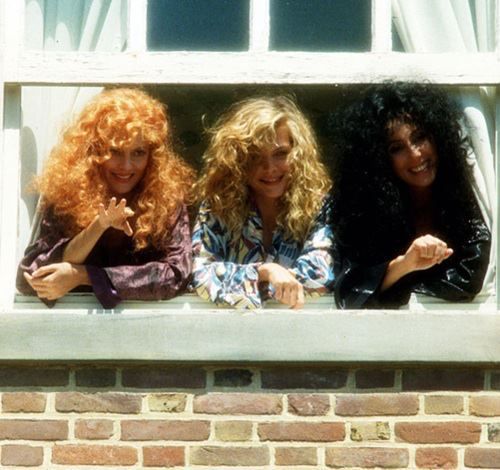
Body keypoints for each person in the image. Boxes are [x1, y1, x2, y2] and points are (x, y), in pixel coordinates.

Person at [17, 88, 194, 308]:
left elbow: (177, 275)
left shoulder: (167, 199)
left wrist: (85, 275)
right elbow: (31, 277)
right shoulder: (67, 193)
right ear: (94, 151)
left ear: (152, 156)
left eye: (138, 153)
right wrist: (98, 226)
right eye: (115, 151)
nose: (126, 166)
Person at [330, 81, 491, 309]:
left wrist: (400, 281)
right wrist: (406, 264)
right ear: (380, 158)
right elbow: (351, 291)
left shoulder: (474, 198)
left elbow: (471, 279)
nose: (415, 155)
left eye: (420, 137)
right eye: (397, 148)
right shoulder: (367, 213)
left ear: (438, 136)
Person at [191, 96, 334, 309]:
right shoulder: (218, 205)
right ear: (238, 160)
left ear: (297, 153)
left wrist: (244, 284)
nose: (269, 168)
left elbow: (320, 274)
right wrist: (265, 272)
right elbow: (201, 274)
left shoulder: (318, 205)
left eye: (280, 154)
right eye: (256, 156)